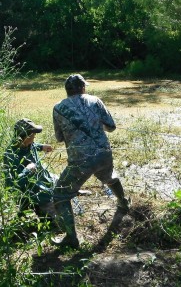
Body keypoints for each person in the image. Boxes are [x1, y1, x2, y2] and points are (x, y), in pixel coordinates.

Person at [52, 74, 129, 247]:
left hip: (80, 160)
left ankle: (71, 239)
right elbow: (111, 126)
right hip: (103, 153)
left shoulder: (58, 108)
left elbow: (58, 138)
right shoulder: (95, 100)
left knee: (60, 195)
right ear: (83, 87)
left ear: (67, 91)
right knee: (109, 177)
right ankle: (123, 203)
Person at [3, 118, 57, 219]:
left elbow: (33, 146)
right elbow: (11, 185)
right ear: (26, 137)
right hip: (35, 193)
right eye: (33, 135)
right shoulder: (10, 155)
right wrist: (27, 171)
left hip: (43, 180)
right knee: (58, 221)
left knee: (62, 184)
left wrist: (42, 147)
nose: (34, 137)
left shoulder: (27, 144)